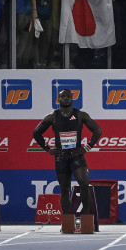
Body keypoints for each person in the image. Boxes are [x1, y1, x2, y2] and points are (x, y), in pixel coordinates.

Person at [32, 89, 103, 220]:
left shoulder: (81, 115)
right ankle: (67, 219)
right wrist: (48, 149)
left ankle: (86, 217)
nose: (65, 98)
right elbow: (36, 133)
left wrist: (88, 147)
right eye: (62, 96)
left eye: (68, 96)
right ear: (58, 99)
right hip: (61, 157)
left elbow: (98, 130)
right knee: (64, 188)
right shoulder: (52, 116)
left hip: (77, 155)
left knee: (84, 183)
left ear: (72, 98)